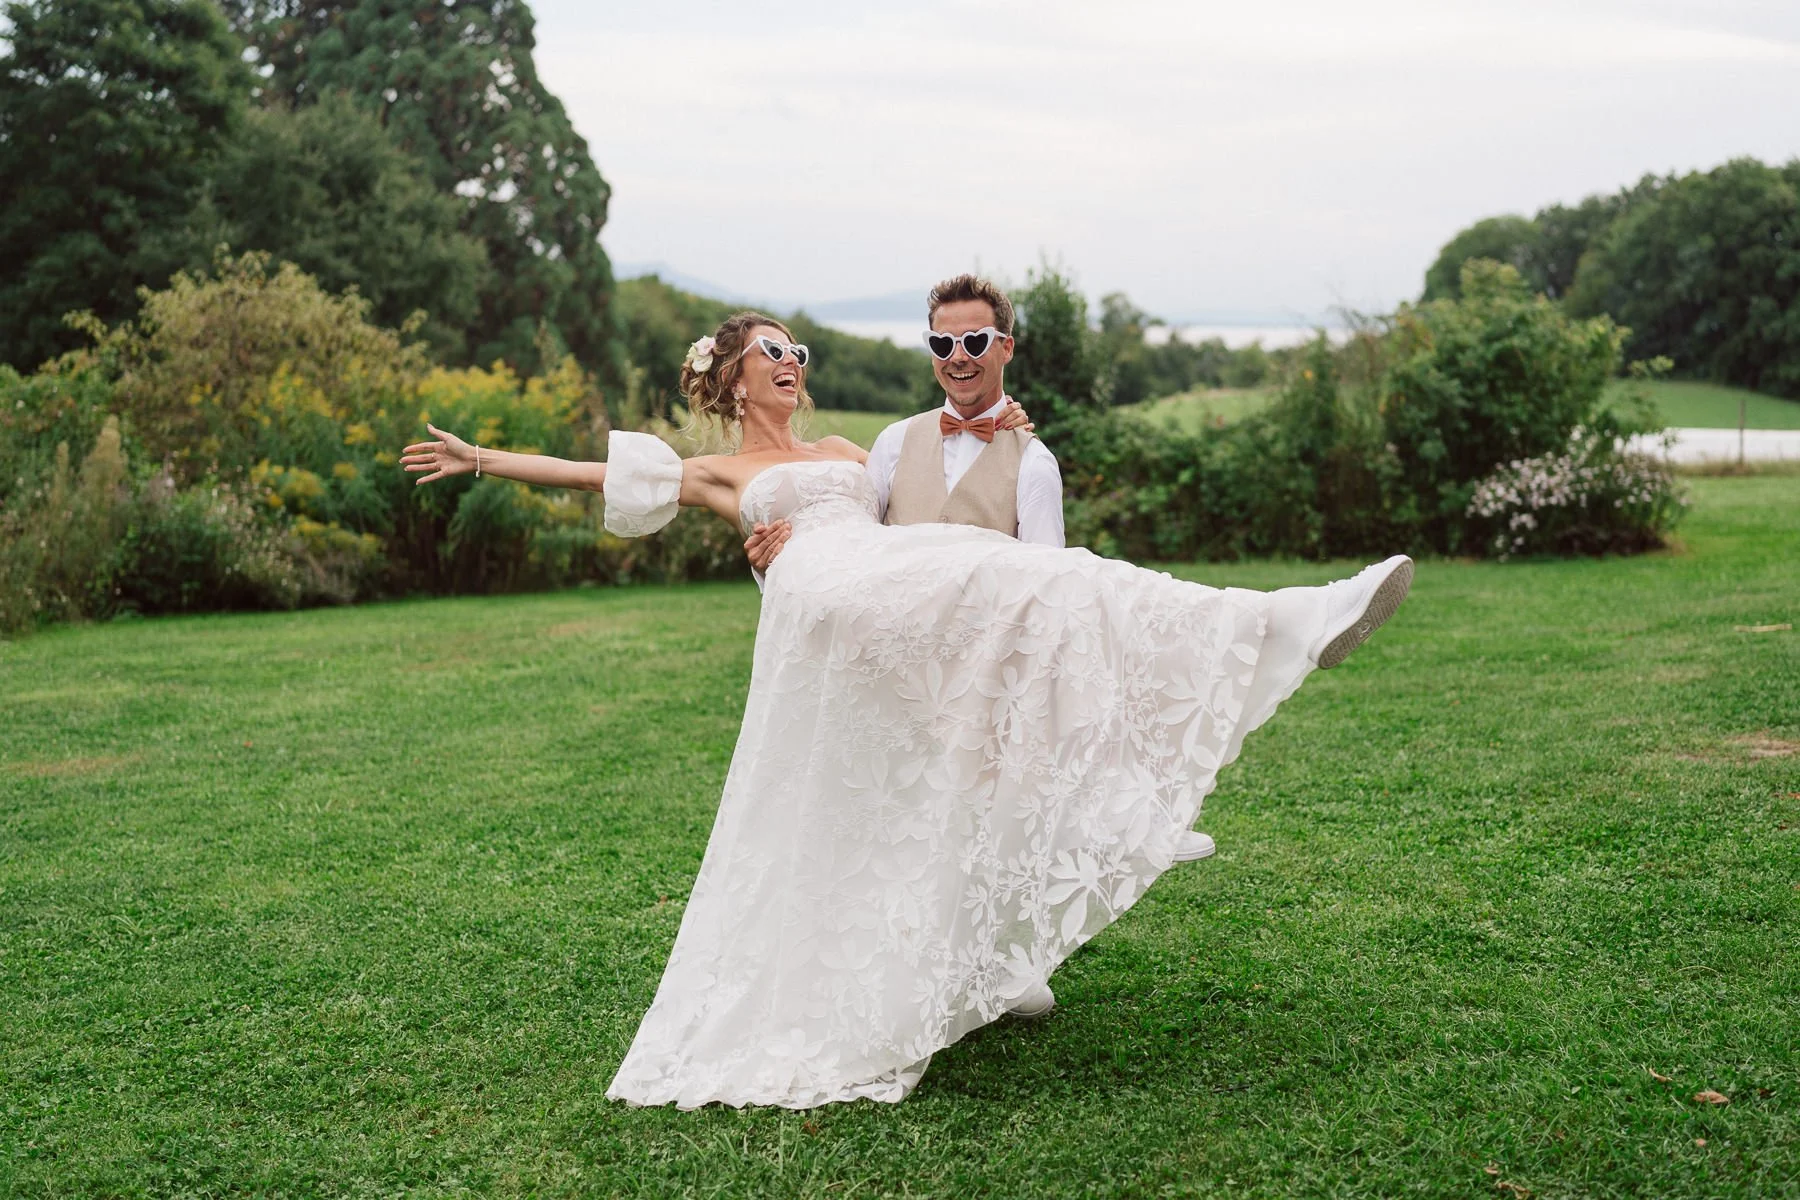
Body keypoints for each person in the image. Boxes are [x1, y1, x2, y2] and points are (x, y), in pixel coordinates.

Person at [401, 309, 1413, 1110]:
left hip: (896, 590)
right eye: (770, 352)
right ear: (733, 378)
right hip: (826, 618)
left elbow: (932, 478)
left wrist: (1011, 427)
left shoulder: (854, 447)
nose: (791, 360)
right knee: (991, 675)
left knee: (1059, 594)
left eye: (795, 348)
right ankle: (1119, 804)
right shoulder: (716, 472)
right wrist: (482, 461)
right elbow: (594, 475)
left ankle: (1276, 632)